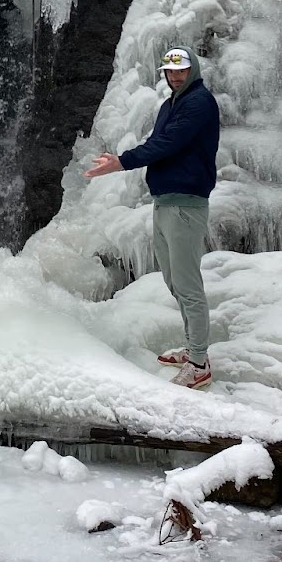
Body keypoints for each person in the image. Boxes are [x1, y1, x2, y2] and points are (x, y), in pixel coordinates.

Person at [84, 46, 219, 390]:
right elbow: (160, 141)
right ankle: (193, 349)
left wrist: (121, 161)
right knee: (174, 281)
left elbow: (168, 144)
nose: (175, 76)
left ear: (194, 70)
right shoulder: (171, 105)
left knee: (188, 285)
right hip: (166, 200)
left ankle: (200, 363)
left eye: (182, 71)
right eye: (170, 71)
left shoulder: (198, 103)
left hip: (186, 204)